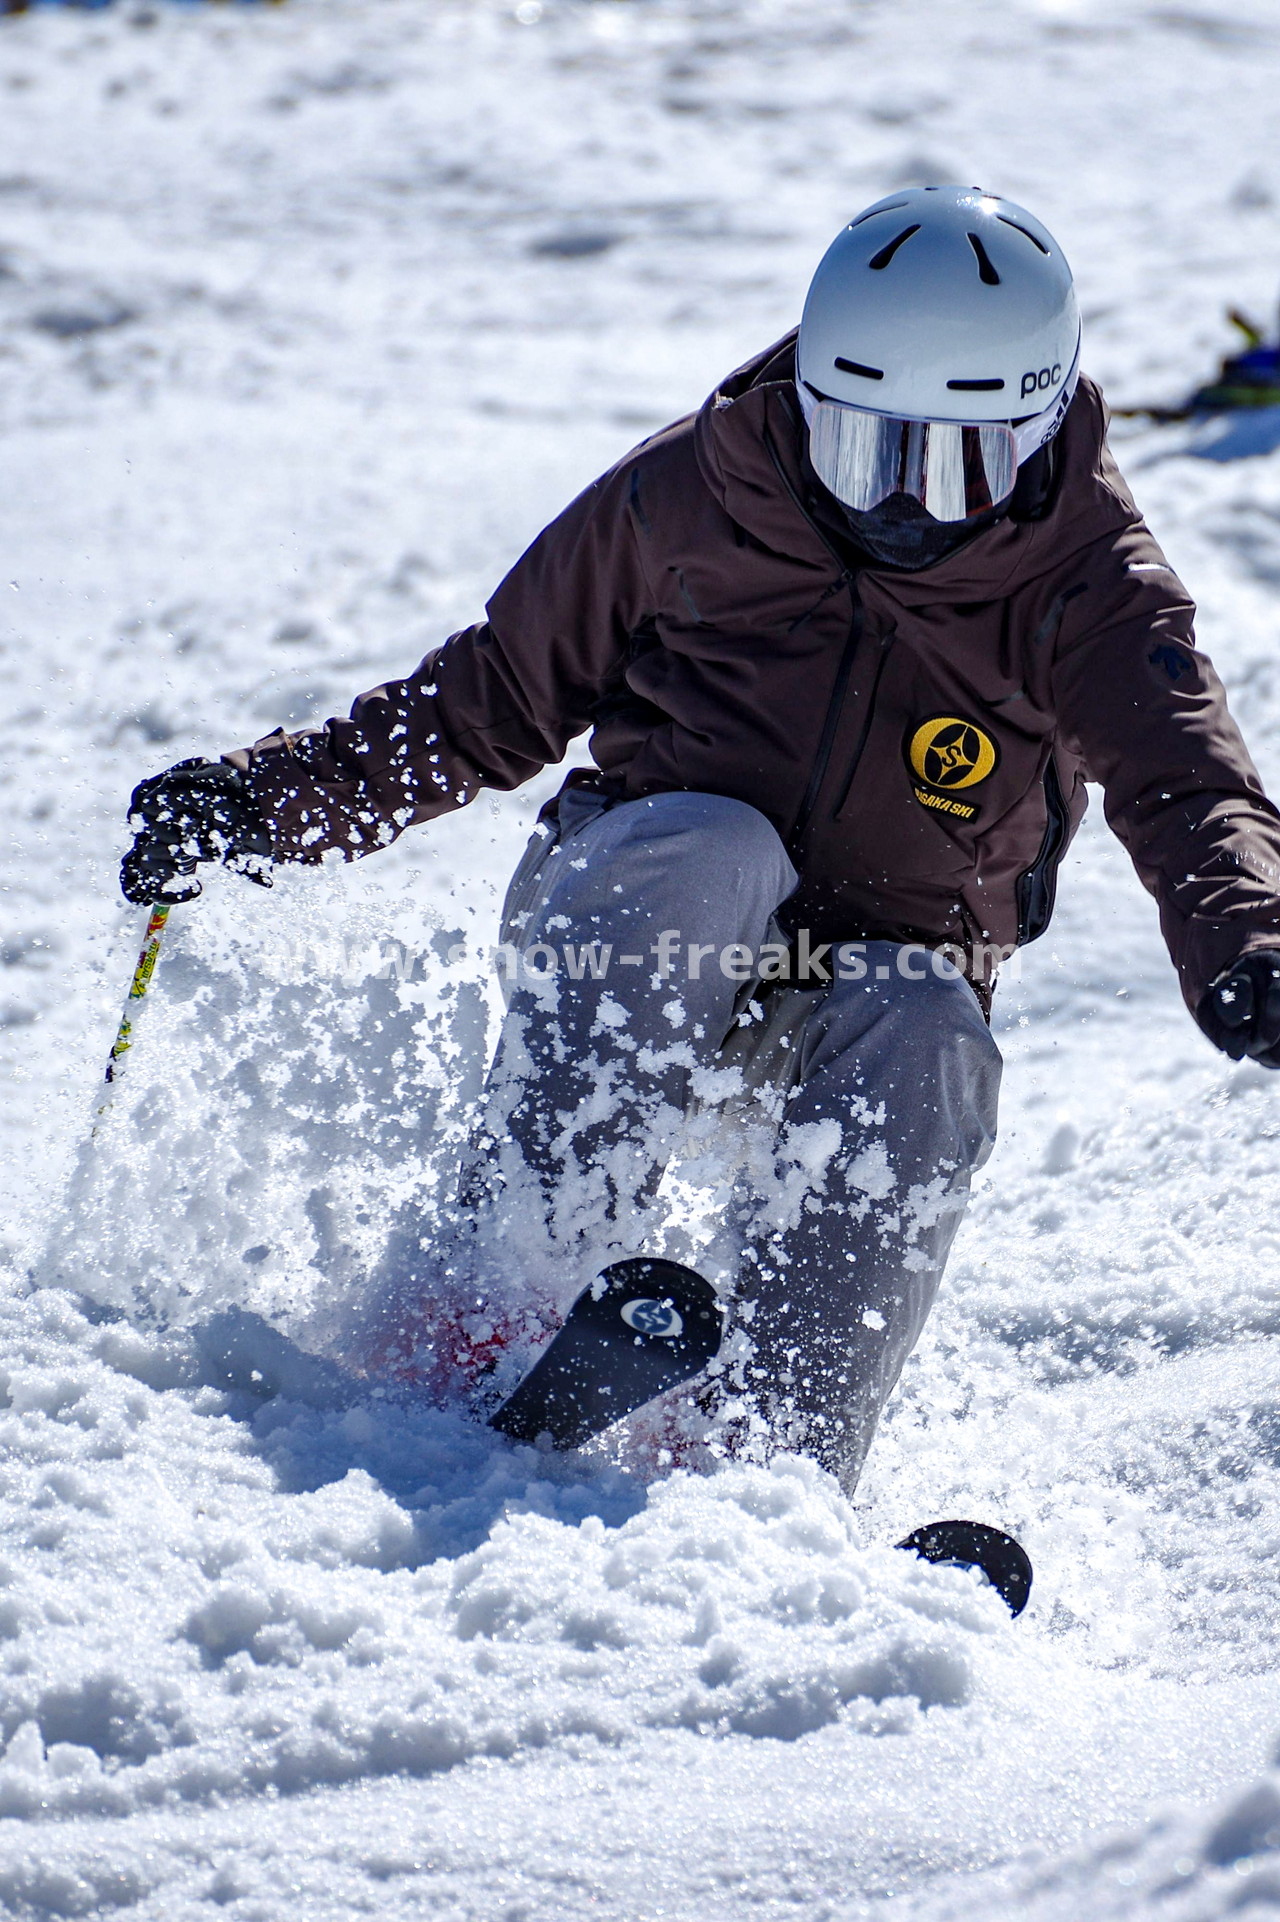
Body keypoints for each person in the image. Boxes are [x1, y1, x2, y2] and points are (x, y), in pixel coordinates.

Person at [120, 186, 1280, 1490]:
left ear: (1032, 428)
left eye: (945, 463)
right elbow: (485, 696)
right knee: (719, 852)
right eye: (859, 446)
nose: (895, 503)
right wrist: (255, 800)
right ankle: (488, 1303)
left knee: (934, 1030)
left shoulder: (1091, 583)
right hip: (633, 905)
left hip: (853, 984)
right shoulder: (698, 492)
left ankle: (778, 1452)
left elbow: (1190, 781)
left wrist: (1251, 938)